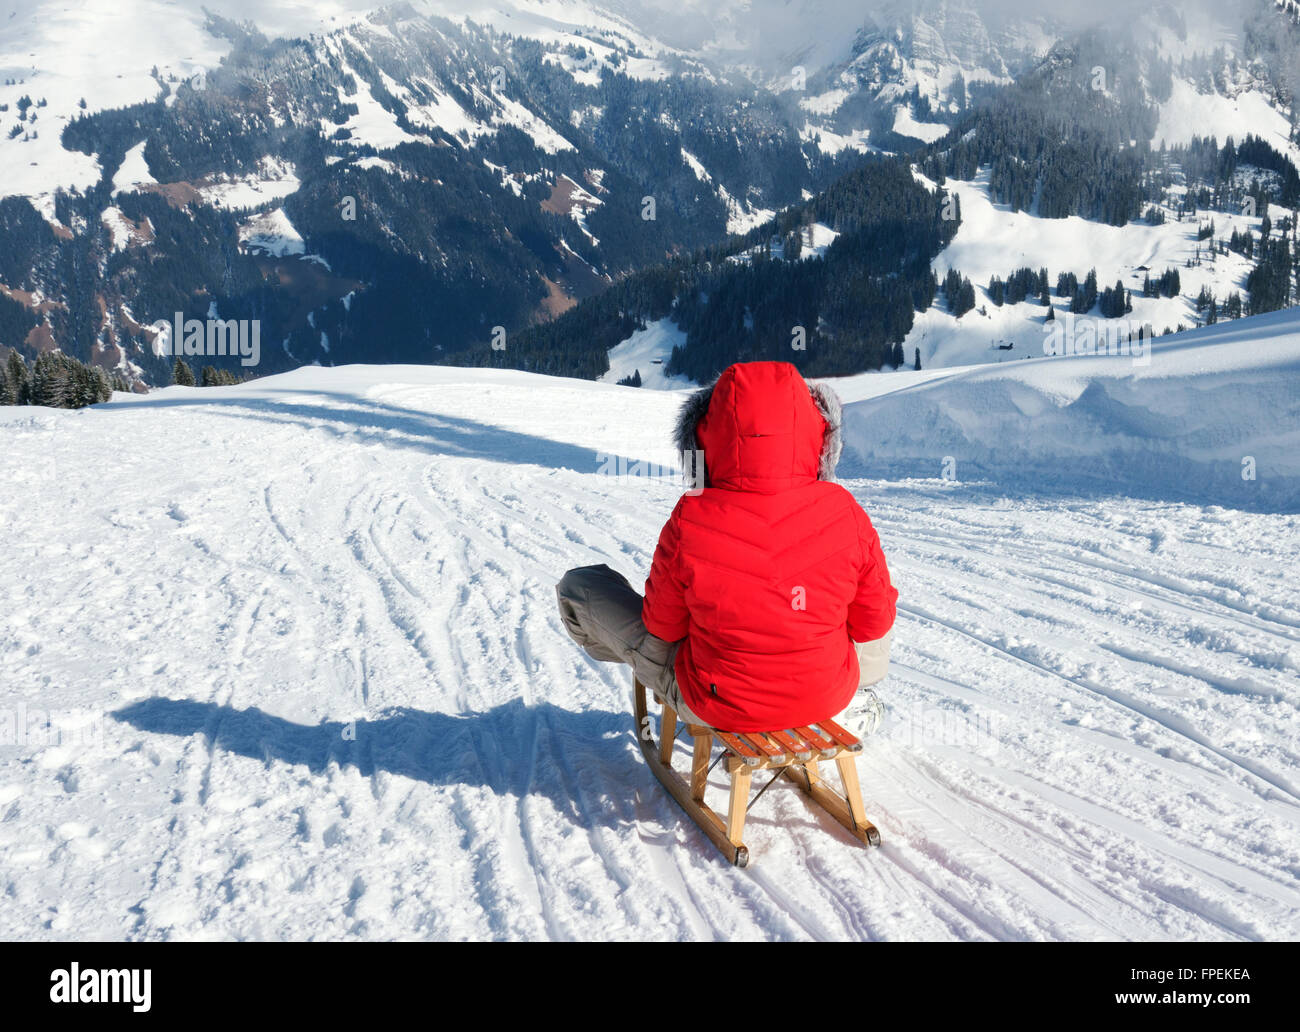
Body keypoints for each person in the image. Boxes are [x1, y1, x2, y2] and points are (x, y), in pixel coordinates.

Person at [557, 360, 896, 733]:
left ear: (705, 437)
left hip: (717, 703)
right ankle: (843, 702)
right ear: (817, 435)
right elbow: (874, 622)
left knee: (581, 587)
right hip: (829, 693)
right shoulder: (845, 510)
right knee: (866, 605)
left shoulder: (693, 514)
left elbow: (663, 626)